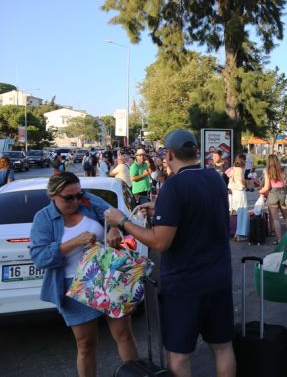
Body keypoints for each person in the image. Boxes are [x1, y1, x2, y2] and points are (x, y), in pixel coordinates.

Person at [104, 129, 235, 377]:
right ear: (196, 152)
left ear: (169, 154)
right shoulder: (215, 178)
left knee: (179, 354)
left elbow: (160, 242)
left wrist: (122, 222)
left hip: (185, 284)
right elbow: (200, 213)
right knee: (223, 347)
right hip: (219, 278)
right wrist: (162, 209)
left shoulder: (174, 185)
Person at [30, 172, 137, 377]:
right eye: (68, 197)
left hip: (107, 276)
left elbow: (111, 214)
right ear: (53, 195)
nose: (76, 201)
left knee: (124, 334)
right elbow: (40, 257)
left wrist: (114, 228)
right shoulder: (43, 218)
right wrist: (74, 242)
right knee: (86, 344)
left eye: (78, 195)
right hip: (73, 285)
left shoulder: (86, 202)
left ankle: (136, 373)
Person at [258, 154, 287, 244]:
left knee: (276, 219)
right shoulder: (284, 171)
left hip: (273, 195)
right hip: (283, 194)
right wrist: (285, 190)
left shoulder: (268, 172)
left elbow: (266, 187)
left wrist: (260, 191)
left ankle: (279, 239)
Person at [229, 154, 248, 242]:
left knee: (236, 212)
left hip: (234, 192)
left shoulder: (233, 168)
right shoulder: (240, 169)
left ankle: (236, 233)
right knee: (242, 213)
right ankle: (239, 234)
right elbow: (241, 180)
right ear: (242, 160)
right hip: (240, 192)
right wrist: (247, 183)